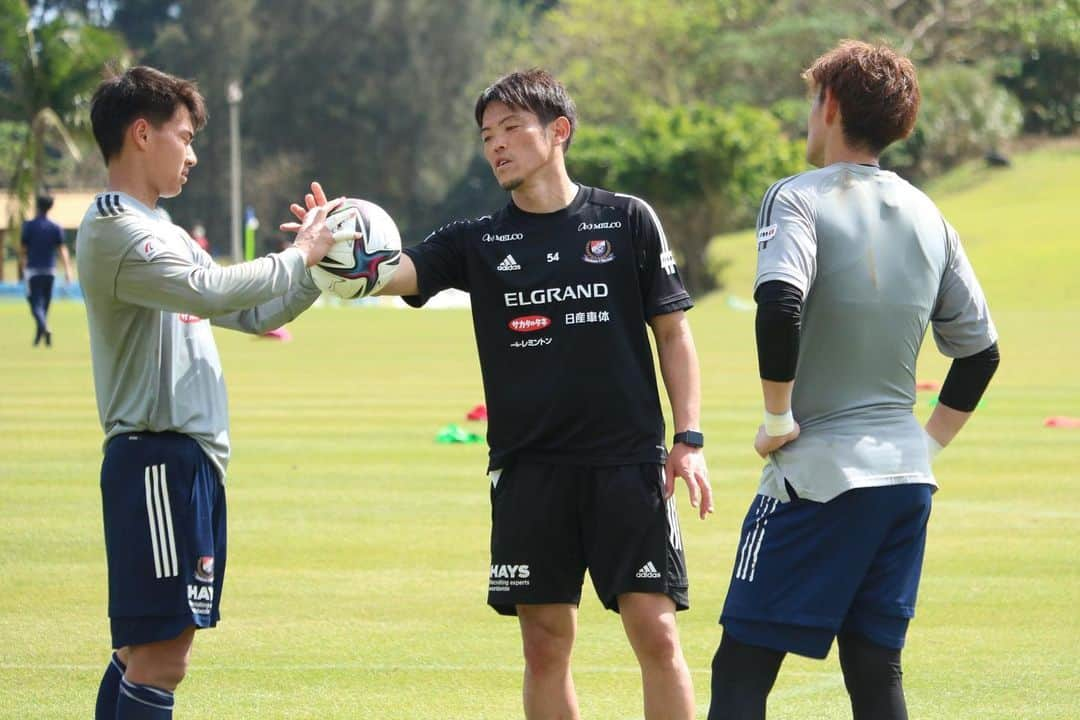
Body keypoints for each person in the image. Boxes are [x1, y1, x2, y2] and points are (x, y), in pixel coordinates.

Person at [284, 69, 714, 719]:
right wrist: (328, 246)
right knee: (545, 647)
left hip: (628, 467)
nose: (498, 146)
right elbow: (390, 273)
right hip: (528, 472)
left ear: (559, 132)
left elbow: (674, 334)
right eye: (488, 135)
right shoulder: (476, 241)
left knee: (655, 632)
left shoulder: (627, 221)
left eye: (512, 129)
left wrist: (688, 439)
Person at [708, 41, 1000, 720]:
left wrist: (778, 416)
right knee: (874, 669)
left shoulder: (796, 197)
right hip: (904, 482)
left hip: (816, 479)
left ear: (830, 104)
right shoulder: (931, 214)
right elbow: (980, 352)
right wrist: (924, 447)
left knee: (742, 666)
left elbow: (780, 301)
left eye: (811, 102)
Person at [77, 66, 339, 720]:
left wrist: (314, 275)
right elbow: (214, 290)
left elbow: (249, 314)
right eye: (185, 136)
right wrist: (301, 254)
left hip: (183, 466)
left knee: (143, 655)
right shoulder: (116, 225)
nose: (193, 154)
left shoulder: (158, 230)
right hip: (157, 464)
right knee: (161, 658)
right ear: (142, 134)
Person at [19, 193, 73, 346]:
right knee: (45, 304)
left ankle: (45, 328)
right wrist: (68, 269)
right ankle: (39, 337)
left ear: (37, 206)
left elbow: (23, 249)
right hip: (50, 271)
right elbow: (62, 249)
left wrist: (22, 267)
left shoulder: (29, 226)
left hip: (33, 271)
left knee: (35, 304)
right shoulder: (55, 227)